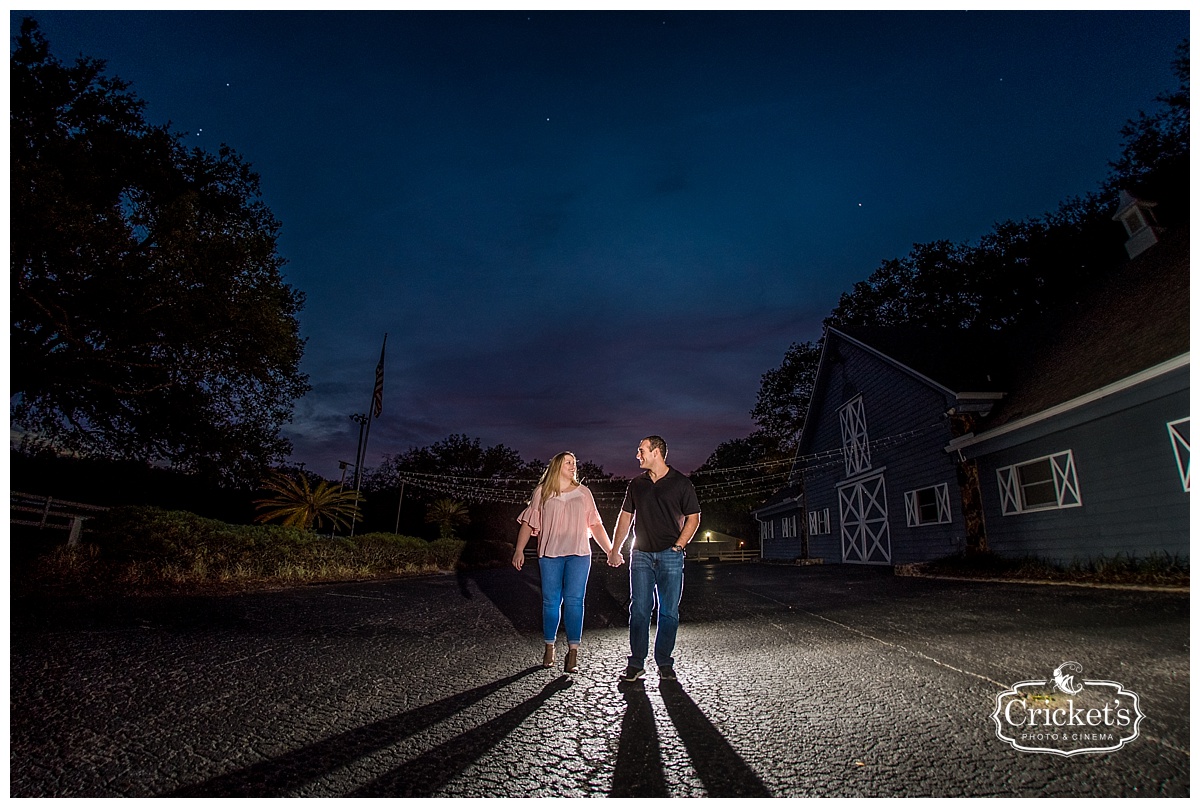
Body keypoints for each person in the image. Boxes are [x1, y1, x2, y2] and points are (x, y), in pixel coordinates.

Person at [513, 451, 618, 673]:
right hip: (550, 554)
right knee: (551, 602)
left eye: (574, 463)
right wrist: (519, 550)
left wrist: (611, 550)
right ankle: (549, 646)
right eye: (568, 462)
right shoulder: (542, 492)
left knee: (574, 601)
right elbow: (528, 523)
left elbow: (596, 525)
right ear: (557, 466)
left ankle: (573, 651)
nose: (573, 466)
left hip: (579, 554)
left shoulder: (583, 493)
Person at [608, 435, 700, 683]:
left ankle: (664, 663)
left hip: (670, 555)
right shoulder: (636, 484)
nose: (637, 455)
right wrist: (615, 549)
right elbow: (625, 518)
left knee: (668, 612)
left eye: (641, 451)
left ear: (656, 452)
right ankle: (636, 663)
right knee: (639, 609)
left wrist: (679, 546)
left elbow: (693, 518)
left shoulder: (681, 483)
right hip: (641, 555)